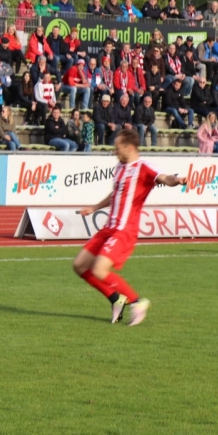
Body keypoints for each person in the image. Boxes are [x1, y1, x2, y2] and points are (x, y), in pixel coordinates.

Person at [72, 129, 184, 326]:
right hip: (109, 227)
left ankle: (137, 302)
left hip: (125, 229)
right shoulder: (120, 167)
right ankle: (115, 298)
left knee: (99, 269)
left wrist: (177, 180)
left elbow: (165, 178)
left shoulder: (143, 167)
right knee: (79, 265)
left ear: (130, 147)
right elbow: (115, 194)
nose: (114, 151)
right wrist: (95, 207)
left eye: (117, 148)